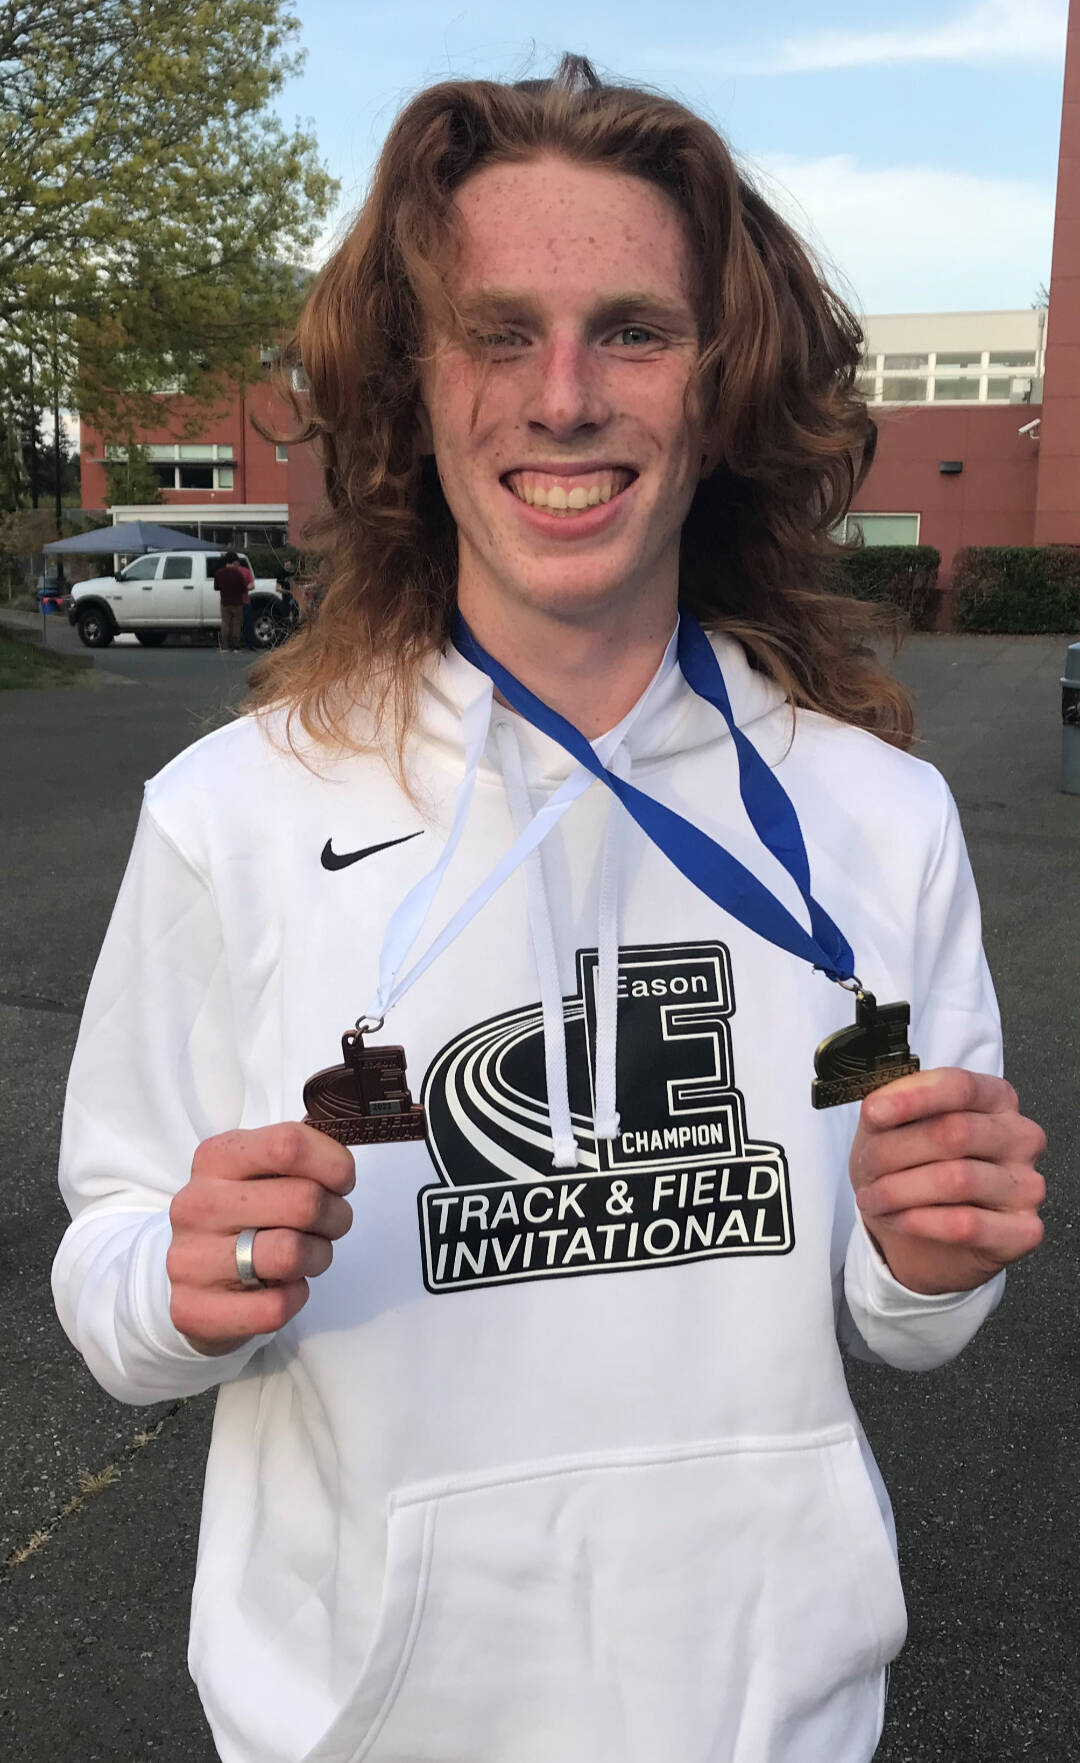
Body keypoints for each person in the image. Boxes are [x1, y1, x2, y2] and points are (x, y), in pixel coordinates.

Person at [52, 56, 1046, 1763]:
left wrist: (931, 1257)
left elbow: (910, 1309)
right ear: (415, 392)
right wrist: (184, 1281)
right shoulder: (238, 808)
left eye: (634, 331)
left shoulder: (876, 819)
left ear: (720, 393)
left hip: (775, 1722)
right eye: (497, 332)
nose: (563, 396)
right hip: (358, 1725)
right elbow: (113, 1261)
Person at [212, 549, 248, 653]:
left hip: (225, 602)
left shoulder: (219, 573)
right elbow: (244, 589)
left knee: (225, 623)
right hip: (237, 602)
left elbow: (216, 587)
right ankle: (236, 646)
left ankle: (224, 647)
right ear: (234, 561)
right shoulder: (238, 574)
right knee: (236, 624)